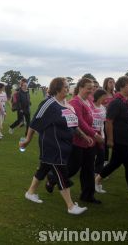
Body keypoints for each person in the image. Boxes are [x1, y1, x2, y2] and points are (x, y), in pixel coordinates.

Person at [20, 77, 88, 215]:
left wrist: (84, 136)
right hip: (52, 145)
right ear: (57, 88)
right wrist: (27, 140)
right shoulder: (49, 103)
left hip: (64, 144)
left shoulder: (66, 103)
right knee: (61, 173)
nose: (68, 88)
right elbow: (34, 122)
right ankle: (70, 206)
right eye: (65, 86)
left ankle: (30, 192)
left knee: (44, 168)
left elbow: (73, 124)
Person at [48, 78, 104, 204]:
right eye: (89, 88)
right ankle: (52, 178)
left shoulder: (89, 100)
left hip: (90, 142)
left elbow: (94, 117)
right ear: (80, 88)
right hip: (78, 141)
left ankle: (87, 195)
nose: (91, 91)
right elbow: (80, 122)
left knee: (89, 169)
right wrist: (94, 134)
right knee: (73, 167)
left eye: (93, 88)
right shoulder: (75, 102)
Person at [95, 76, 128, 205]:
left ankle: (96, 181)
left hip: (127, 138)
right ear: (122, 87)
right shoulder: (116, 103)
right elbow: (109, 122)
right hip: (119, 140)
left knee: (114, 163)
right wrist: (111, 140)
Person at [91, 89, 107, 193]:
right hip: (90, 136)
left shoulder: (103, 108)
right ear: (99, 96)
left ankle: (96, 182)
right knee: (88, 160)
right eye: (104, 96)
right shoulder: (90, 106)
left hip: (100, 137)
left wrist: (103, 136)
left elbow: (103, 124)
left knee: (101, 157)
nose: (105, 99)